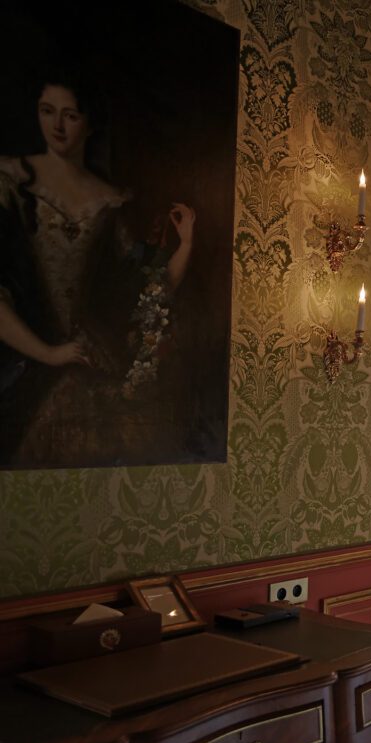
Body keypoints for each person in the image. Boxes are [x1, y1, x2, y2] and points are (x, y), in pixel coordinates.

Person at [0, 67, 196, 467]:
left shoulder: (111, 202)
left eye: (70, 115)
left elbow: (147, 298)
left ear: (89, 123)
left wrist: (187, 244)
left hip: (93, 366)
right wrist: (48, 353)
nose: (57, 126)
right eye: (47, 111)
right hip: (28, 365)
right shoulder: (11, 183)